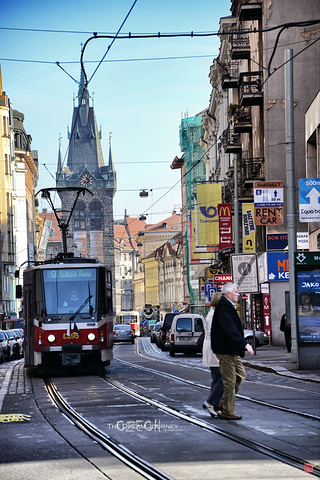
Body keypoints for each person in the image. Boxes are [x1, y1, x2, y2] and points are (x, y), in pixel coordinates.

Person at [211, 282, 253, 420]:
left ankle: (221, 403)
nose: (238, 294)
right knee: (229, 380)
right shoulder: (223, 307)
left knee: (240, 376)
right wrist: (245, 343)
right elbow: (230, 329)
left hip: (232, 350)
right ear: (228, 294)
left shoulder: (228, 306)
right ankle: (228, 411)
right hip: (226, 350)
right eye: (236, 292)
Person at [202, 292, 224, 417]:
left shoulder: (211, 313)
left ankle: (214, 406)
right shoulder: (215, 314)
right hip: (214, 349)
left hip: (210, 348)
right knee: (223, 378)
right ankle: (211, 402)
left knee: (216, 379)